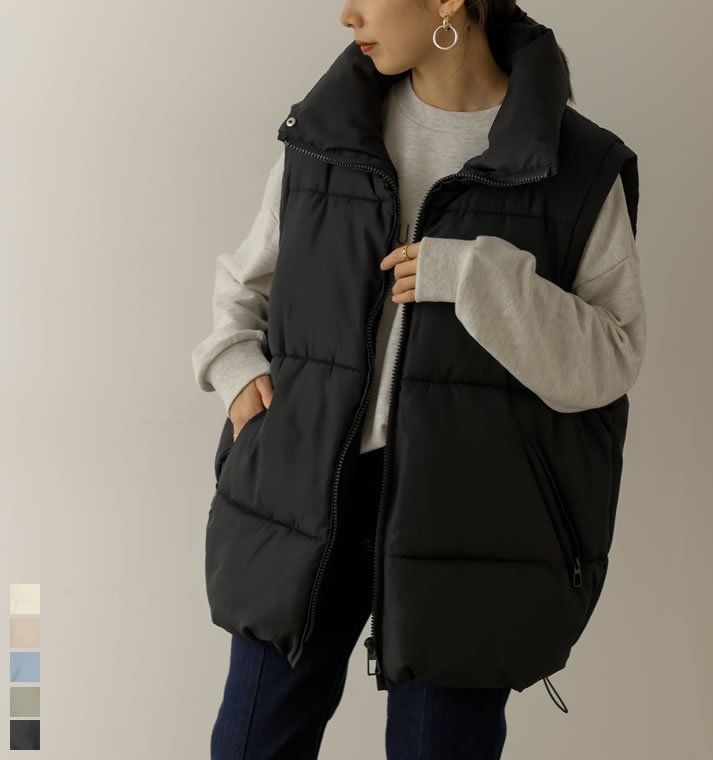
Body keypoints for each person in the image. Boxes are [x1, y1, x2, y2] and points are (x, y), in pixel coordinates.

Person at [192, 1, 646, 757]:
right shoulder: (330, 130)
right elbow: (245, 286)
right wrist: (238, 372)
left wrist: (479, 280)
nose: (347, 14)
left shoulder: (576, 164)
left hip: (471, 519)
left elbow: (613, 357)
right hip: (307, 490)